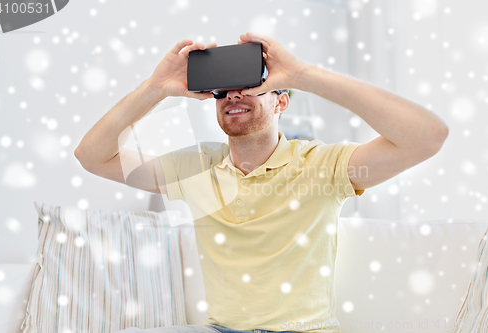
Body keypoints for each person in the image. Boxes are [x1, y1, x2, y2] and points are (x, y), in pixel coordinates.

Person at [75, 32, 449, 333]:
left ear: (281, 102)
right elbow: (92, 157)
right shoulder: (196, 168)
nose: (234, 95)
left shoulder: (322, 166)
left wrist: (304, 75)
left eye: (250, 85)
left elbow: (427, 136)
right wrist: (155, 87)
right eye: (223, 89)